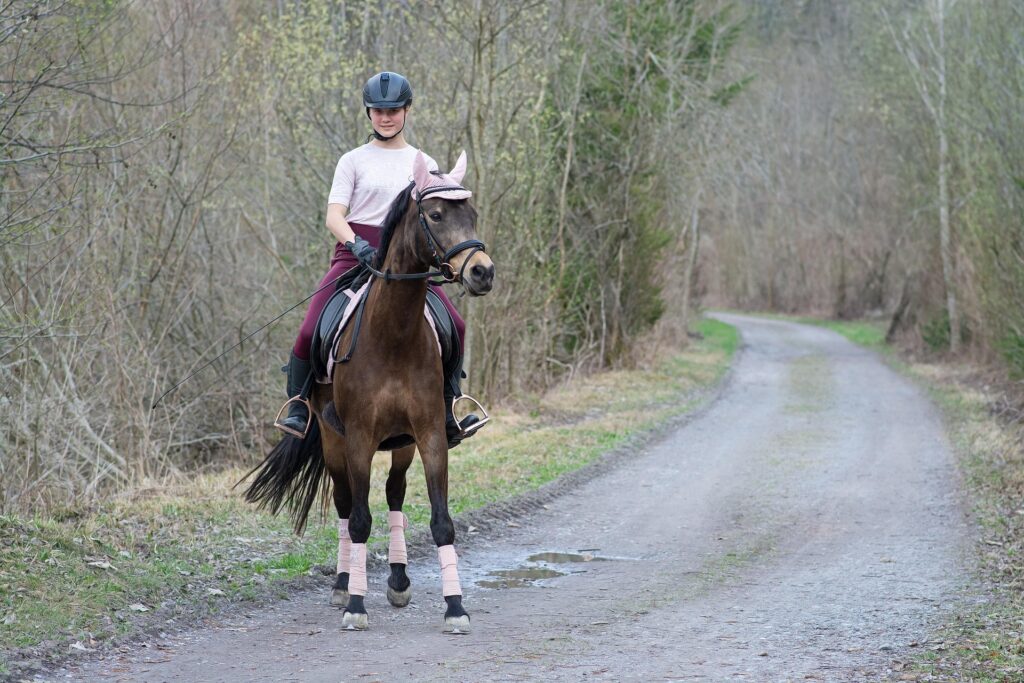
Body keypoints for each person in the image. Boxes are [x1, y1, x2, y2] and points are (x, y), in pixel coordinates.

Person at [278, 71, 480, 446]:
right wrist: (356, 244)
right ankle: (299, 405)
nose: (386, 117)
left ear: (406, 111)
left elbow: (437, 218)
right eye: (378, 111)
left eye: (394, 110)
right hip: (354, 256)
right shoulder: (352, 161)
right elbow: (333, 215)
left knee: (457, 326)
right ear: (369, 113)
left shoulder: (424, 161)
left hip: (408, 265)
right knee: (309, 329)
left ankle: (450, 406)